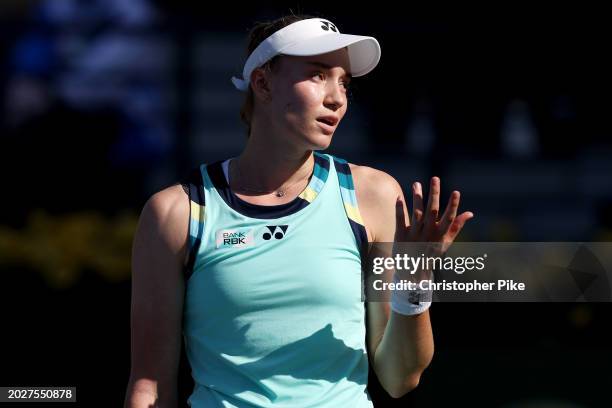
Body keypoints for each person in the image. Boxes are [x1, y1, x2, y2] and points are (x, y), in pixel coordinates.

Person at [124, 14, 474, 407]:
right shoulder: (175, 211)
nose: (337, 97)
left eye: (344, 82)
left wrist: (414, 281)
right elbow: (149, 385)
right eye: (318, 75)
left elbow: (399, 377)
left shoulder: (373, 195)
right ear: (262, 83)